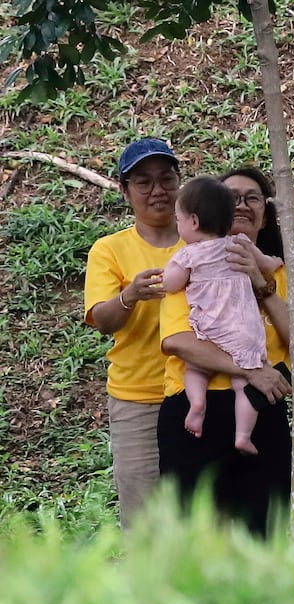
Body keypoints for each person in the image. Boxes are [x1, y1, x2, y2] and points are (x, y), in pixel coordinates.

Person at [158, 166, 294, 535]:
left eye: (252, 197)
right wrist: (250, 369)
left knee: (266, 533)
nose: (241, 205)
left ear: (265, 212)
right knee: (195, 539)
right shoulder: (191, 264)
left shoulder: (281, 274)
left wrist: (261, 283)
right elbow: (177, 341)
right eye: (231, 197)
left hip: (262, 409)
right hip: (195, 422)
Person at [83, 137, 182, 527]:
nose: (157, 191)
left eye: (166, 179)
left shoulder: (203, 242)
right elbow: (103, 320)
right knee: (143, 516)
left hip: (206, 394)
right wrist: (130, 295)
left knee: (203, 510)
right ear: (125, 191)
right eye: (143, 182)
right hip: (138, 398)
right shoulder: (109, 250)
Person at [164, 176, 269, 455]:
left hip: (210, 328)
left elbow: (171, 284)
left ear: (194, 222)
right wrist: (275, 263)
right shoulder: (240, 243)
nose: (178, 225)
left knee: (196, 368)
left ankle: (197, 404)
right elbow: (266, 263)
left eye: (179, 219)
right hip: (243, 328)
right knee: (243, 385)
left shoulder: (189, 255)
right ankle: (243, 435)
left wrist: (168, 273)